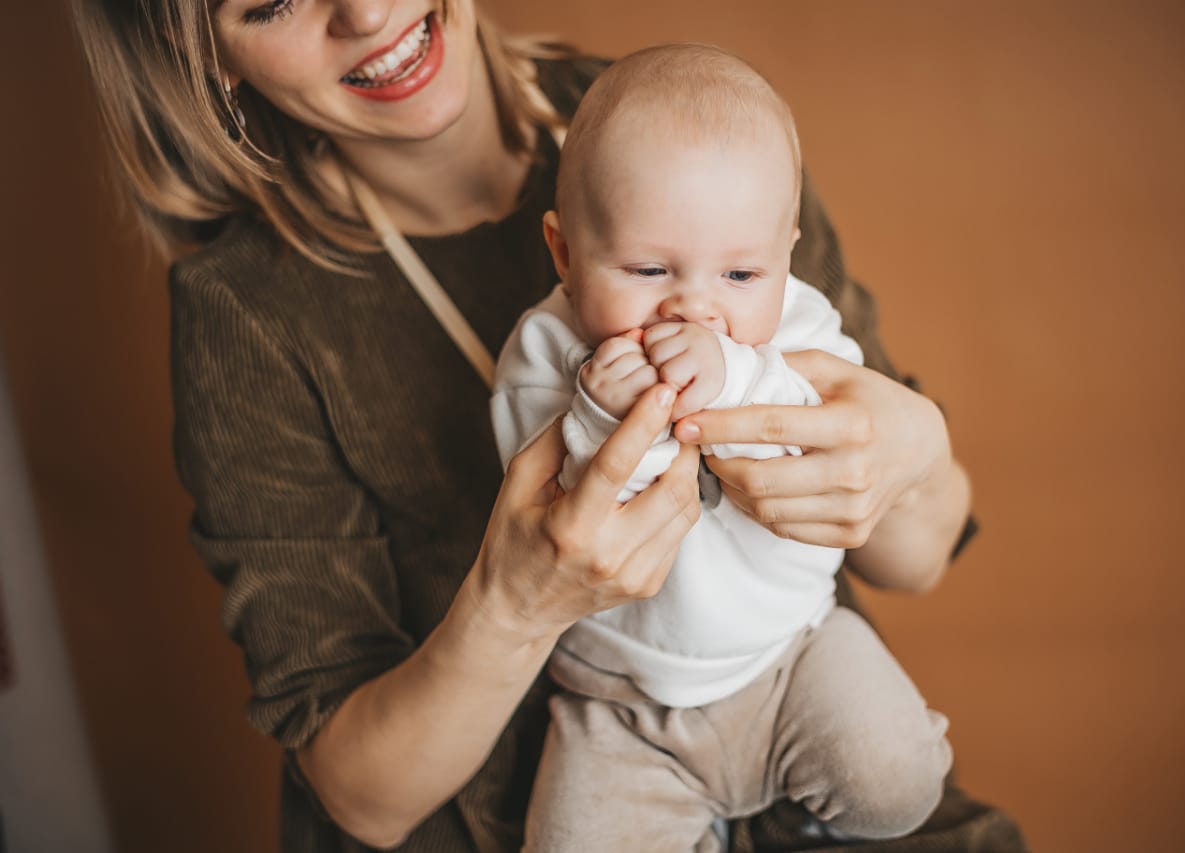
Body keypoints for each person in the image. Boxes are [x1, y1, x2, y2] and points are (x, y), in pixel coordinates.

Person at [69, 1, 1026, 851]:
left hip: (811, 734)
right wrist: (518, 603)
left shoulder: (697, 127)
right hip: (556, 784)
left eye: (735, 275)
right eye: (273, 1)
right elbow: (361, 801)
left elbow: (918, 556)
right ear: (209, 55)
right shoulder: (249, 309)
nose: (364, 12)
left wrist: (917, 456)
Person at [491, 44, 953, 851]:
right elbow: (559, 508)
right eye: (647, 267)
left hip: (795, 652)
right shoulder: (543, 355)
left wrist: (737, 374)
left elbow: (831, 435)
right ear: (565, 254)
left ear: (786, 254)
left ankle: (807, 806)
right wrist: (605, 412)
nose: (695, 307)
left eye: (741, 275)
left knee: (898, 780)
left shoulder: (802, 325)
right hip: (621, 700)